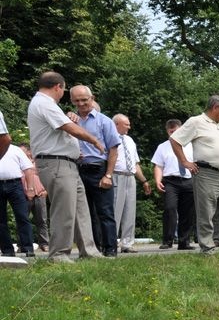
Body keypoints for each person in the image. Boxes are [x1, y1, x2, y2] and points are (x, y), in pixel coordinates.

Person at [28, 72, 106, 262]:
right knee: (64, 210)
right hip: (56, 163)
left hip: (66, 163)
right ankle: (59, 254)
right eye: (63, 89)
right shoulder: (44, 103)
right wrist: (94, 140)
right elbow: (68, 127)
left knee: (80, 209)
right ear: (58, 87)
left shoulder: (45, 104)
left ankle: (89, 251)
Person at [170, 95, 219, 255]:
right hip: (207, 174)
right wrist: (185, 162)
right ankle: (207, 249)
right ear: (215, 108)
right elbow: (175, 140)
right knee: (206, 212)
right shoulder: (196, 122)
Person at [70, 85, 121, 257]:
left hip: (99, 170)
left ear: (92, 98)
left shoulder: (104, 121)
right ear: (72, 101)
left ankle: (110, 249)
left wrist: (108, 175)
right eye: (77, 100)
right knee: (85, 213)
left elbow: (113, 149)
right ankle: (93, 249)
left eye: (84, 99)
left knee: (105, 212)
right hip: (77, 169)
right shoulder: (70, 121)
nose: (81, 103)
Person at [151, 119, 195, 250]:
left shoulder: (191, 145)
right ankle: (167, 240)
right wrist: (158, 180)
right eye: (170, 131)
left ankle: (184, 242)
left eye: (175, 131)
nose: (173, 134)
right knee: (170, 209)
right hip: (171, 181)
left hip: (188, 180)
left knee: (187, 212)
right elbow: (158, 166)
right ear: (167, 132)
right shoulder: (162, 147)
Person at [111, 114, 152, 253]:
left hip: (130, 177)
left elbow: (135, 163)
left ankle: (127, 243)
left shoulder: (130, 140)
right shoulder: (110, 137)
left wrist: (144, 181)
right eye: (126, 124)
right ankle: (110, 242)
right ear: (116, 124)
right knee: (115, 209)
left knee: (130, 210)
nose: (129, 127)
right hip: (116, 175)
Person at [0, 116, 35, 257]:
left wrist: (30, 188)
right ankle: (7, 250)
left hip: (15, 184)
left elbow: (28, 169)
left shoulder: (15, 150)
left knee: (22, 217)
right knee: (1, 220)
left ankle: (28, 248)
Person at [19, 145, 49, 252]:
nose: (21, 153)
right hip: (23, 195)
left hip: (39, 194)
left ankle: (44, 244)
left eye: (23, 151)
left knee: (42, 220)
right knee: (23, 220)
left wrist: (46, 191)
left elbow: (47, 177)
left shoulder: (38, 163)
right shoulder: (18, 164)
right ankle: (23, 245)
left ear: (29, 152)